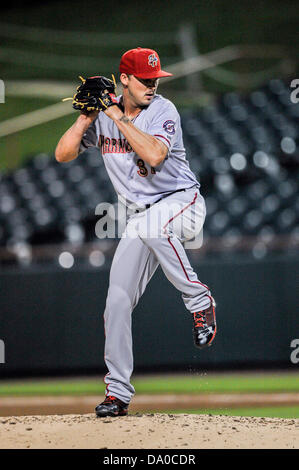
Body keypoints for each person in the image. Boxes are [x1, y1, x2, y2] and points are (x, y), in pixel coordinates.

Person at [55, 47, 216, 418]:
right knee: (116, 302)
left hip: (182, 203)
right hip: (141, 220)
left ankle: (199, 301)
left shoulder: (163, 110)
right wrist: (86, 117)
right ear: (124, 79)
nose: (152, 86)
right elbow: (63, 154)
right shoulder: (105, 117)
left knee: (151, 224)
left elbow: (155, 156)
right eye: (145, 80)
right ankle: (117, 393)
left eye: (156, 79)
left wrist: (113, 113)